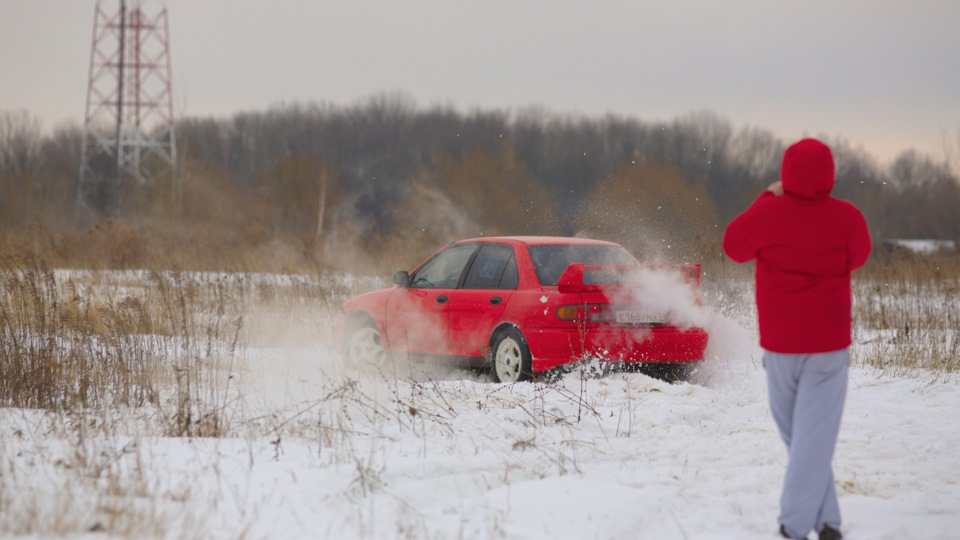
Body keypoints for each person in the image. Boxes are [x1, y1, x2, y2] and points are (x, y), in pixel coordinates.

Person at [722, 138, 871, 540]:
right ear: (830, 174)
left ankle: (793, 525)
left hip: (782, 345)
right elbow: (859, 256)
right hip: (828, 344)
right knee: (810, 436)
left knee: (803, 435)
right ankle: (827, 520)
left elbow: (733, 246)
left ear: (784, 174)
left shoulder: (769, 213)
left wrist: (764, 199)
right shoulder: (848, 217)